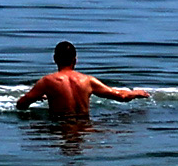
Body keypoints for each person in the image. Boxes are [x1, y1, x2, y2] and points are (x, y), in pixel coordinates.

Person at [15, 42, 146, 123]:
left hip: (59, 127)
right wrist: (136, 93)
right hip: (85, 126)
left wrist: (38, 97)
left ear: (55, 59)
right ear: (75, 60)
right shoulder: (88, 81)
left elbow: (21, 105)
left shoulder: (47, 82)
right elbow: (121, 96)